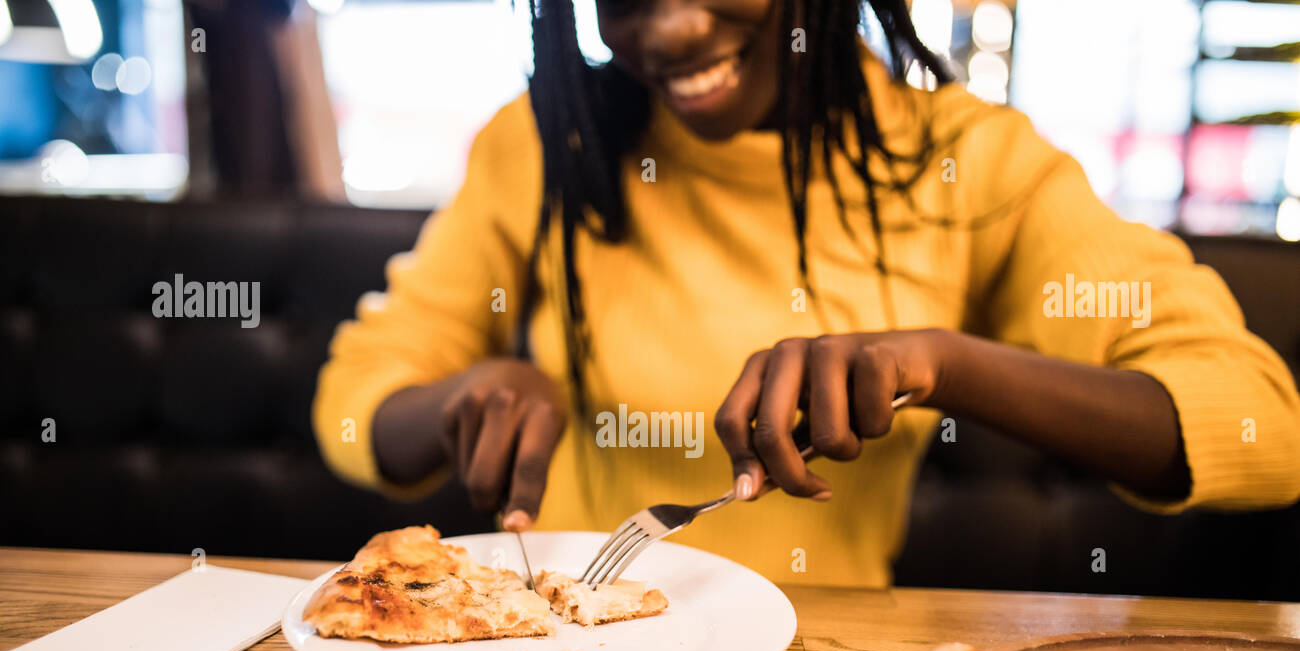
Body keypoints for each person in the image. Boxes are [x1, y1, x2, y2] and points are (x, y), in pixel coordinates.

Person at [313, 0, 1300, 587]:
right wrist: (461, 397)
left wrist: (941, 362)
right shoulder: (545, 144)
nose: (669, 27)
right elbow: (353, 407)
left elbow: (1262, 425)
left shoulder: (966, 162)